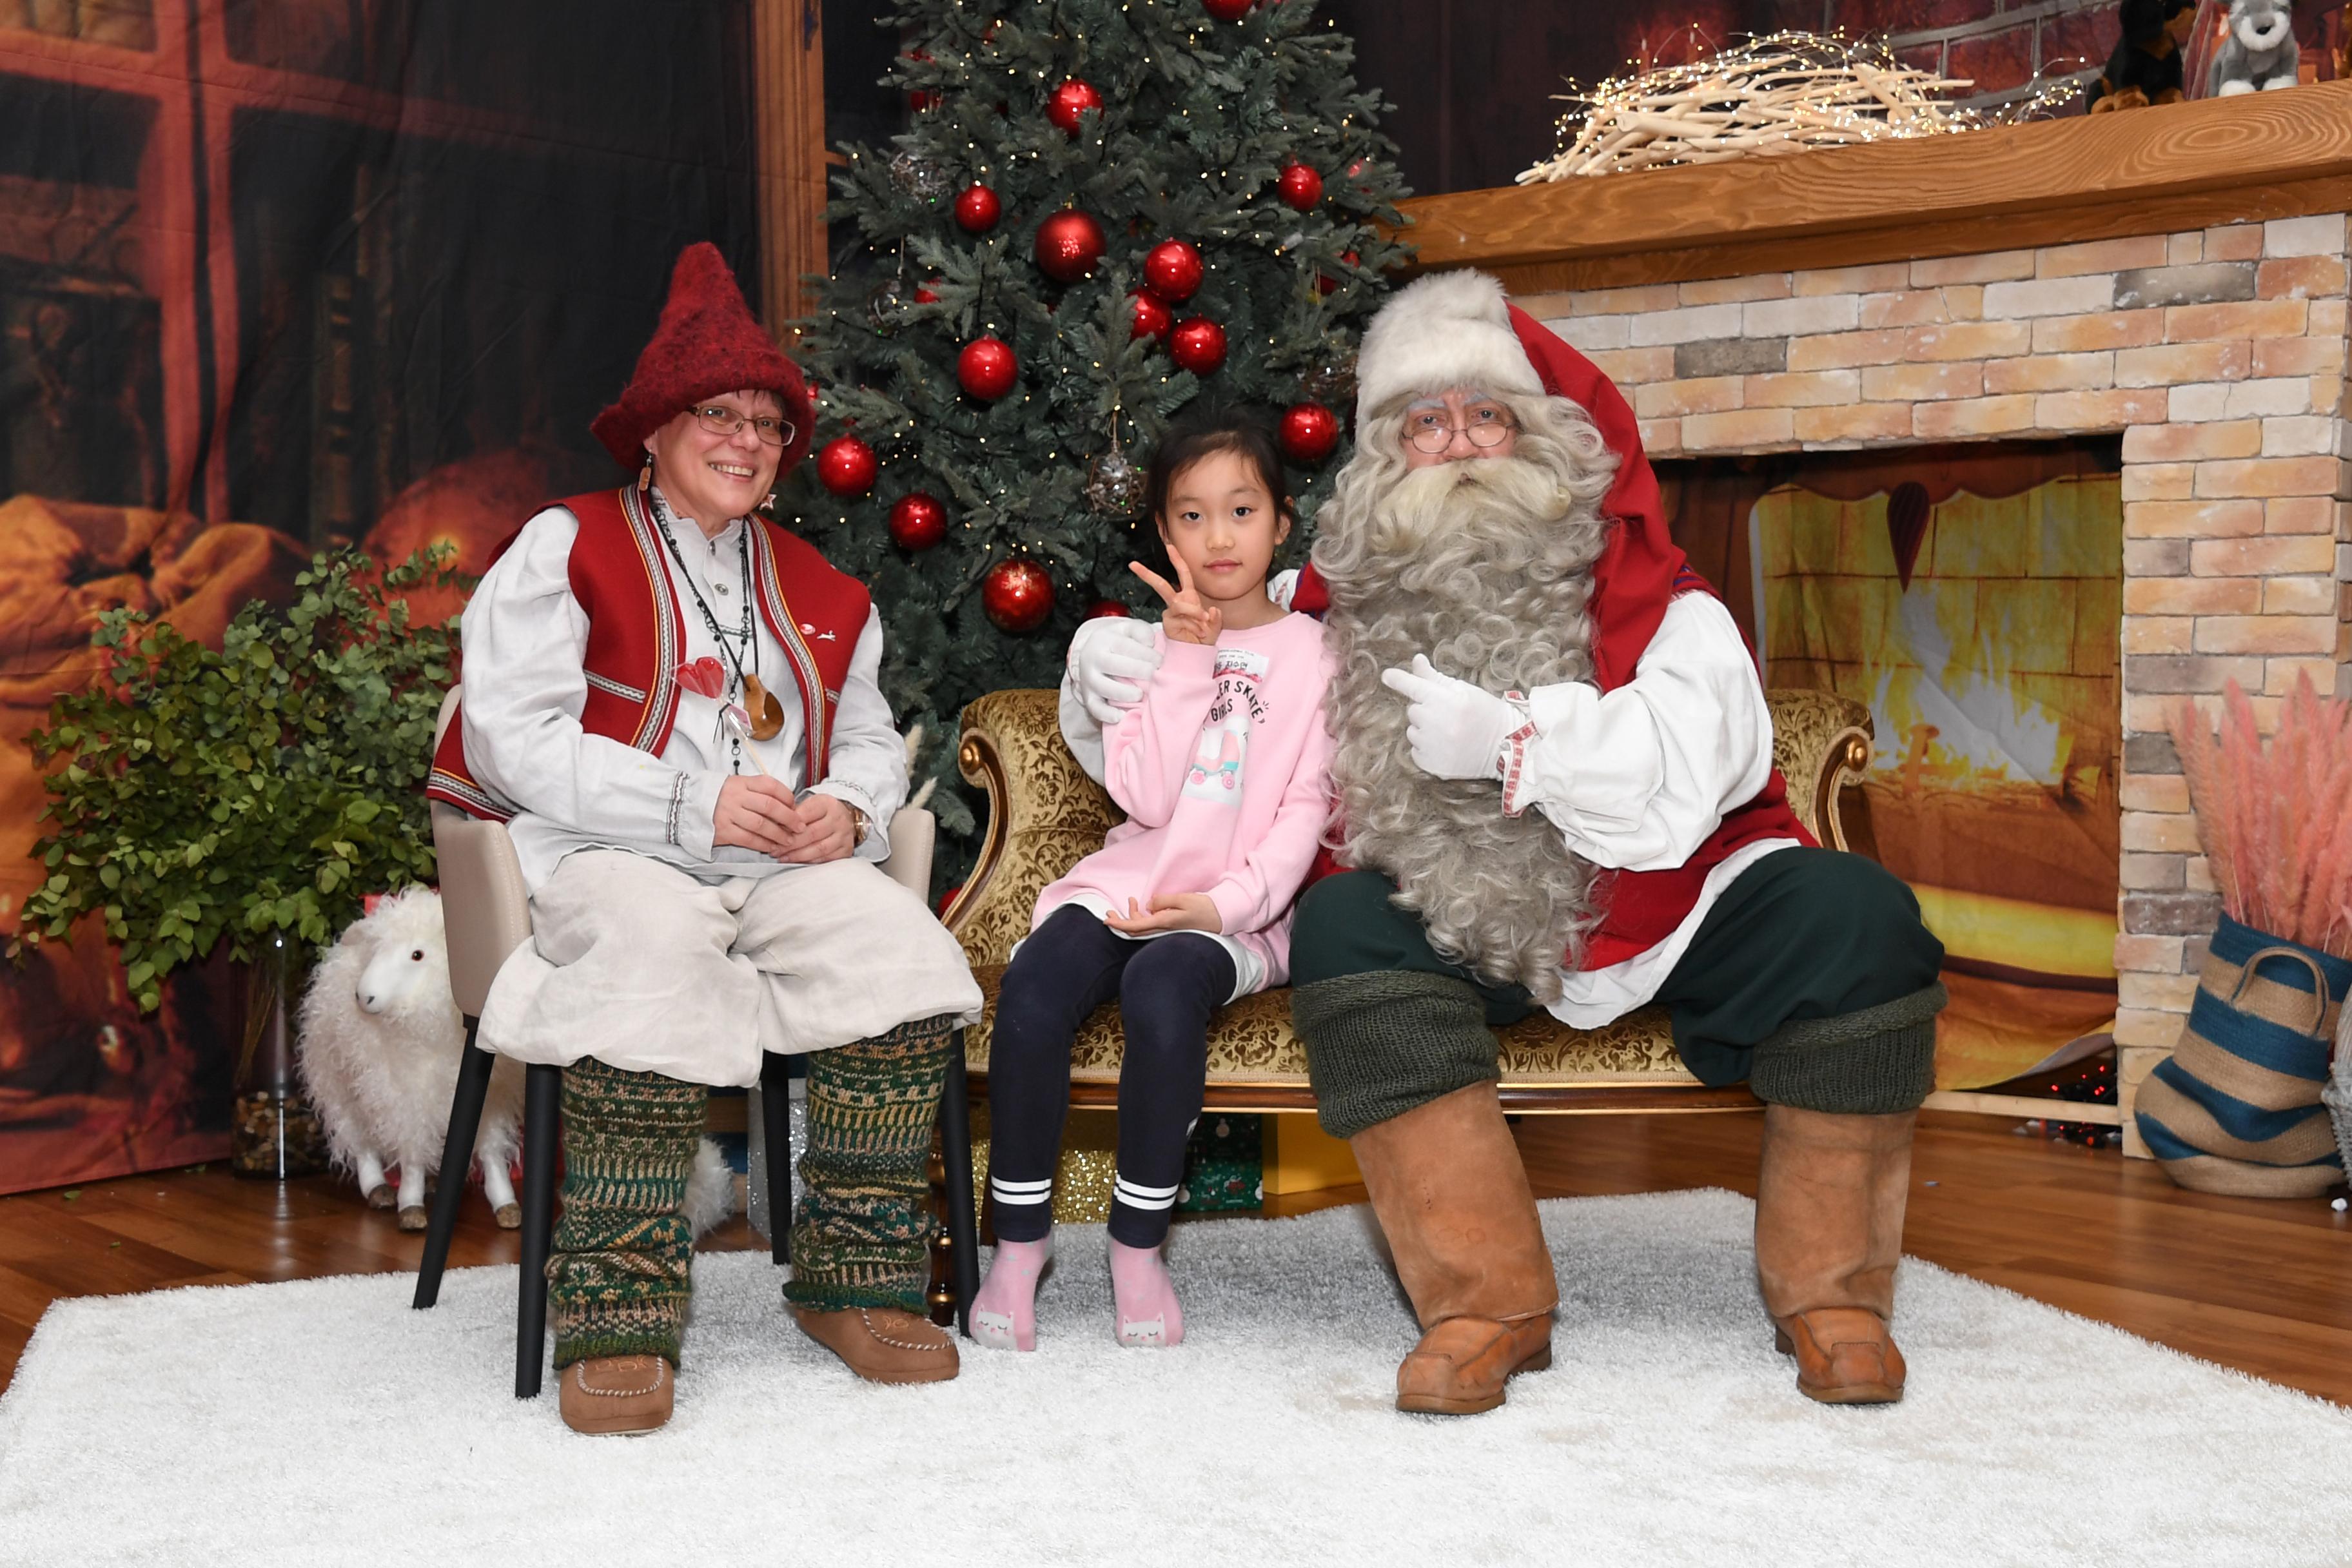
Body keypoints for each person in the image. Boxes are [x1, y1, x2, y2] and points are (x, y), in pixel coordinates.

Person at [1061, 270, 1945, 1415]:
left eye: (1490, 415)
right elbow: (1199, 680)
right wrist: (1114, 669)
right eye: (1427, 422)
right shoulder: (1326, 600)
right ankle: (1484, 1304)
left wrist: (1519, 742)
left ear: (1550, 441)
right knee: (1347, 925)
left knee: (1862, 920)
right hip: (1452, 912)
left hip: (1660, 902)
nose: (1462, 445)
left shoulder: (1666, 604)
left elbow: (1698, 771)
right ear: (1387, 457)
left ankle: (1836, 1299)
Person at [427, 244, 983, 1435]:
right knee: (650, 946)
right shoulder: (562, 543)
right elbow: (511, 735)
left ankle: (853, 1280)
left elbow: (875, 738)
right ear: (655, 431)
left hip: (775, 864)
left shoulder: (823, 588)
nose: (745, 439)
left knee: (895, 953)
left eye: (767, 423)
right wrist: (686, 806)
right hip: (603, 857)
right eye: (716, 414)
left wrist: (852, 808)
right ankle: (617, 1313)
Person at [971, 407, 1335, 1352]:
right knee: (1039, 986)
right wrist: (1184, 658)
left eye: (1242, 511)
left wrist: (1225, 907)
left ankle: (1138, 1249)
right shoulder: (1151, 646)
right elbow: (1139, 789)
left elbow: (1305, 813)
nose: (1219, 538)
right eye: (1191, 517)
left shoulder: (1320, 656)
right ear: (1164, 534)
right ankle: (1018, 1247)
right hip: (1133, 877)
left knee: (1163, 984)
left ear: (1282, 522)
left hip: (1240, 910)